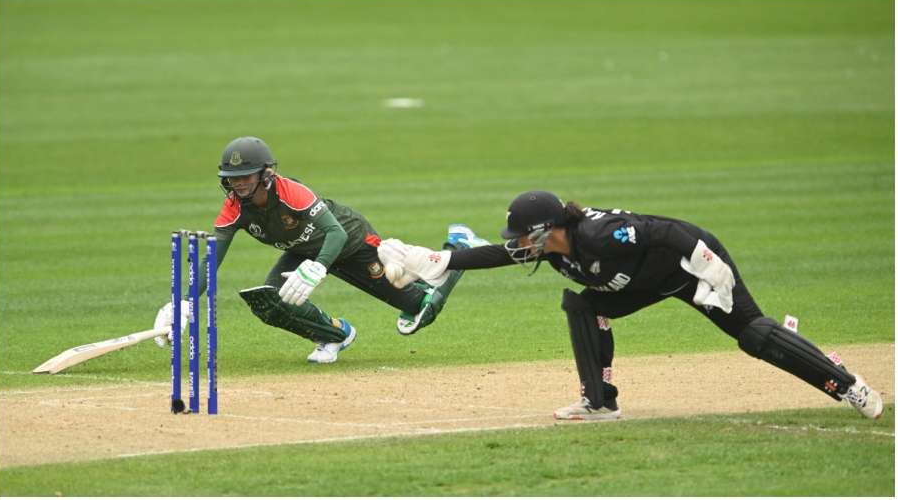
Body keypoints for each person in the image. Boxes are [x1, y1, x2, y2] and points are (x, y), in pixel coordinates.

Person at [377, 190, 884, 420]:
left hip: (690, 268)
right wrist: (437, 260)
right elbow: (491, 254)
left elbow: (668, 231)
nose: (519, 243)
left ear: (547, 227)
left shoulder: (600, 235)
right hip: (641, 285)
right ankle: (599, 402)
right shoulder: (552, 251)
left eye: (524, 234)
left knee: (752, 334)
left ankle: (848, 386)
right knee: (580, 305)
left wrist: (710, 267)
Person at [152, 136, 486, 364]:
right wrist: (181, 301)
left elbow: (335, 233)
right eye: (231, 177)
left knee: (420, 310)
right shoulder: (233, 209)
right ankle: (335, 335)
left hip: (350, 242)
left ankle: (459, 246)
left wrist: (317, 267)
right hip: (306, 251)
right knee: (270, 300)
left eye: (245, 176)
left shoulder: (291, 192)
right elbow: (212, 259)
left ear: (265, 173)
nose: (237, 183)